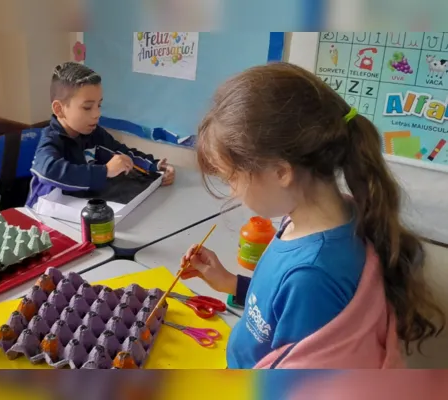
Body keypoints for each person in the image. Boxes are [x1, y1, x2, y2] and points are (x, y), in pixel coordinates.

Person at [181, 62, 444, 368]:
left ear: (281, 172)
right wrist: (229, 283)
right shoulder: (323, 218)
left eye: (231, 178)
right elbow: (278, 311)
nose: (232, 192)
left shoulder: (312, 275)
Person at [26, 61, 175, 208]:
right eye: (87, 107)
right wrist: (105, 171)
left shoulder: (93, 132)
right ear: (59, 109)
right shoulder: (51, 139)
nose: (97, 114)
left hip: (79, 211)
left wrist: (154, 165)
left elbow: (122, 153)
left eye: (99, 105)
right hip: (45, 217)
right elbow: (48, 171)